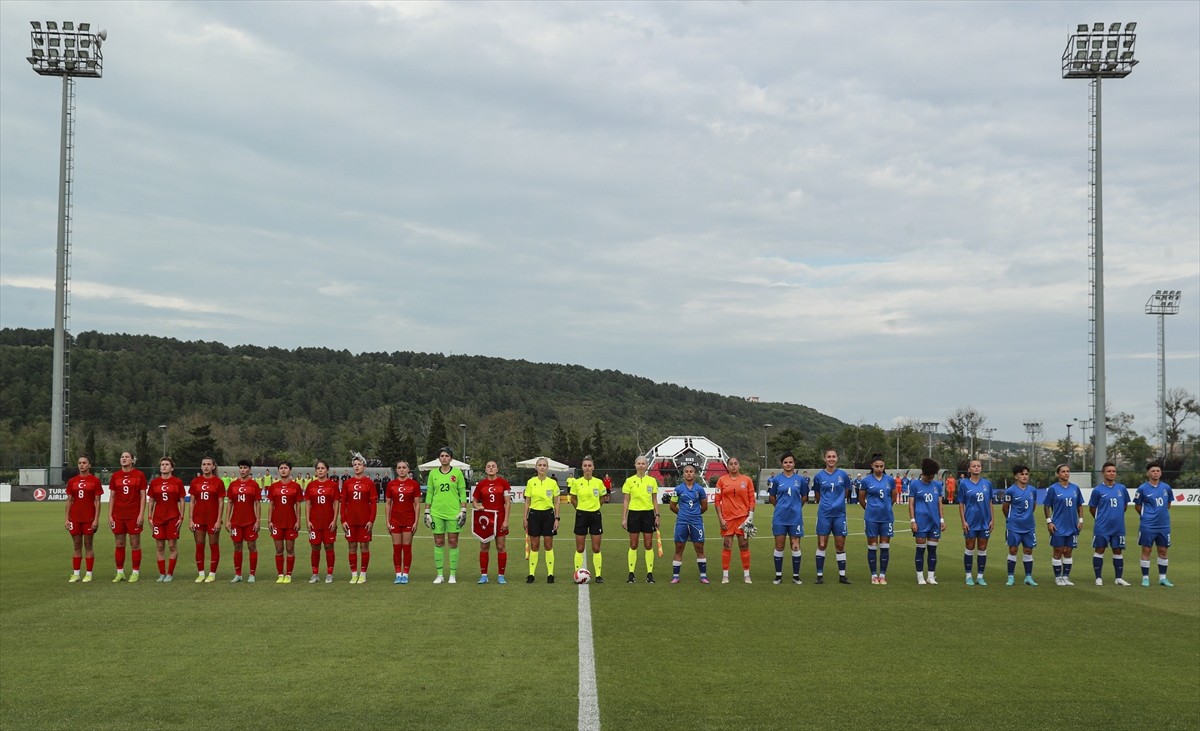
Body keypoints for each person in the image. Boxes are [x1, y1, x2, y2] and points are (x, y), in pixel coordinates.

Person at [423, 447, 469, 584]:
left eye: (447, 456)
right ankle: (440, 574)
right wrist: (427, 511)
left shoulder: (458, 473)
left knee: (453, 542)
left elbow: (462, 492)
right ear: (439, 458)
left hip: (454, 512)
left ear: (451, 458)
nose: (444, 458)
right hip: (436, 512)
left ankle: (452, 575)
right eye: (442, 455)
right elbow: (430, 493)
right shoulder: (432, 474)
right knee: (438, 542)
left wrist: (463, 510)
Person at [811, 449, 852, 584]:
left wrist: (838, 503)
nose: (831, 459)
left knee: (840, 545)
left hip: (840, 515)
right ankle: (819, 575)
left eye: (833, 456)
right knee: (822, 545)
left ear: (837, 459)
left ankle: (842, 575)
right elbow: (817, 495)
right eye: (829, 457)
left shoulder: (843, 475)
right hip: (824, 515)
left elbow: (846, 492)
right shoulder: (818, 476)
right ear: (824, 459)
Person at [713, 457, 756, 584]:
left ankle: (747, 575)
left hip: (743, 519)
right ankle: (725, 575)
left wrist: (751, 516)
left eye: (736, 463)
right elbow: (717, 501)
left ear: (739, 466)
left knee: (744, 545)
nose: (733, 466)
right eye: (731, 464)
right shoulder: (722, 480)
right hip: (727, 519)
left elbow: (751, 499)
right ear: (727, 466)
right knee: (727, 545)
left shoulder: (747, 480)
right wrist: (721, 519)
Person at [768, 452, 807, 585]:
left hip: (795, 518)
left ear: (794, 464)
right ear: (782, 464)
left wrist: (796, 507)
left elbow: (804, 496)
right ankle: (778, 576)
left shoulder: (800, 479)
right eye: (785, 462)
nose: (788, 464)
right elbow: (772, 497)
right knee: (779, 547)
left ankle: (796, 576)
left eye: (790, 462)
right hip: (780, 518)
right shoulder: (776, 480)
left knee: (795, 546)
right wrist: (780, 507)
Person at [1089, 461, 1131, 586]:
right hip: (1102, 526)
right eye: (1109, 471)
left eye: (1113, 471)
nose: (1111, 473)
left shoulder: (1121, 489)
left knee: (1118, 551)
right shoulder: (1098, 490)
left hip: (1118, 527)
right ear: (1103, 473)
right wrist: (1101, 518)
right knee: (1099, 550)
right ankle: (1098, 578)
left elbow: (1124, 505)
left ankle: (1118, 578)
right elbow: (1092, 508)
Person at [108, 451, 148, 582]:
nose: (124, 459)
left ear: (132, 460)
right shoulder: (115, 476)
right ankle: (120, 572)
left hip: (133, 514)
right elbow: (112, 496)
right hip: (118, 515)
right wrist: (110, 515)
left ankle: (135, 572)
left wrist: (141, 514)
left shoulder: (139, 475)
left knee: (135, 543)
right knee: (119, 543)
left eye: (127, 457)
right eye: (122, 457)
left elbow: (143, 496)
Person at [1134, 461, 1174, 587]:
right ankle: (1145, 578)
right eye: (1153, 471)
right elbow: (1137, 506)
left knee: (1163, 550)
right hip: (1148, 525)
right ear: (1148, 473)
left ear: (1160, 473)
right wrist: (1147, 516)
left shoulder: (1166, 488)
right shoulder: (1142, 488)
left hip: (1163, 525)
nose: (1155, 473)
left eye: (1157, 471)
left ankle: (1163, 578)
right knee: (1147, 550)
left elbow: (1168, 505)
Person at [621, 456, 660, 583]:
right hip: (634, 514)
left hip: (648, 514)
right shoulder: (629, 481)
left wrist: (657, 515)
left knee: (648, 545)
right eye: (639, 463)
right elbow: (626, 500)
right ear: (635, 465)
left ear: (647, 465)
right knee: (633, 544)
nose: (641, 465)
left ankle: (650, 574)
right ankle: (631, 573)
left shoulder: (652, 481)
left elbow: (654, 499)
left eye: (643, 463)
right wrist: (624, 517)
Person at [1044, 464, 1084, 586]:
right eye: (1063, 471)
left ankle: (1066, 576)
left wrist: (1080, 520)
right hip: (1058, 525)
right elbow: (1046, 505)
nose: (1066, 473)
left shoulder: (1075, 488)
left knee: (1068, 551)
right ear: (1057, 474)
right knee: (1058, 551)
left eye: (1068, 471)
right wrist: (1049, 521)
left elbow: (1079, 505)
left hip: (1072, 525)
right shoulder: (1053, 489)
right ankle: (1058, 577)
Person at [472, 460, 511, 584]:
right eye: (488, 466)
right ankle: (484, 575)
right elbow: (474, 500)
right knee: (484, 547)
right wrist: (478, 507)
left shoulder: (503, 483)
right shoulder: (481, 484)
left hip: (499, 519)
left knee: (500, 547)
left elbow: (508, 503)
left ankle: (501, 575)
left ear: (497, 469)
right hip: (486, 520)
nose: (491, 468)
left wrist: (506, 520)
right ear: (485, 470)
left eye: (493, 466)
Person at [956, 459, 994, 586]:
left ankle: (980, 576)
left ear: (981, 468)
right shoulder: (964, 484)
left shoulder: (987, 484)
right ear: (969, 469)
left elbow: (990, 502)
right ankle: (968, 576)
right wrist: (963, 521)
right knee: (970, 548)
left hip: (984, 521)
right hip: (971, 521)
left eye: (978, 466)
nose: (976, 468)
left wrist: (992, 519)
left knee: (982, 548)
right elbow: (961, 503)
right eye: (974, 466)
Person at [65, 454, 103, 582]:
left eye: (84, 463)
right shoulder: (72, 481)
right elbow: (69, 501)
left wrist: (96, 519)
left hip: (89, 517)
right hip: (75, 518)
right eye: (80, 463)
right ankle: (76, 574)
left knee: (88, 545)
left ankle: (89, 573)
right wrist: (67, 518)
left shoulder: (95, 481)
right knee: (76, 545)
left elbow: (98, 501)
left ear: (89, 465)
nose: (81, 465)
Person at [148, 457, 186, 582]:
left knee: (171, 546)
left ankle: (170, 573)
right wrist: (149, 516)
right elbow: (152, 500)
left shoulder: (177, 482)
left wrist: (181, 516)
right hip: (158, 517)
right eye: (162, 464)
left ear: (172, 468)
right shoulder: (154, 482)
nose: (164, 466)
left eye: (167, 464)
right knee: (159, 547)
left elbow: (181, 499)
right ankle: (162, 573)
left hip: (172, 517)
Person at [857, 454, 893, 585]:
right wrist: (870, 509)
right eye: (876, 466)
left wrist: (886, 508)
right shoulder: (866, 481)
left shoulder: (890, 480)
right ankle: (873, 575)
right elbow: (861, 499)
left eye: (881, 466)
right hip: (871, 518)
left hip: (886, 517)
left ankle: (882, 575)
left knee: (884, 546)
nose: (879, 468)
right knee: (872, 546)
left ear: (884, 467)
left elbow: (893, 497)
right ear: (872, 466)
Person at [570, 456, 607, 584]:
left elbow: (602, 498)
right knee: (580, 548)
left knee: (596, 548)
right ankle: (577, 574)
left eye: (589, 466)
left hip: (595, 516)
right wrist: (580, 509)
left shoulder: (599, 482)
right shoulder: (576, 482)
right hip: (581, 515)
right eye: (585, 466)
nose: (587, 468)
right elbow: (573, 499)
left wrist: (594, 508)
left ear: (593, 467)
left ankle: (598, 575)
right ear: (582, 468)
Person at [908, 458, 945, 585]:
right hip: (920, 521)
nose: (931, 479)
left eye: (932, 476)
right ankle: (920, 577)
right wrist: (913, 520)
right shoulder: (914, 485)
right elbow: (911, 504)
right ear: (923, 473)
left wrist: (942, 520)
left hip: (934, 522)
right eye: (929, 477)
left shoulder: (937, 485)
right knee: (920, 550)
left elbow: (939, 503)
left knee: (933, 550)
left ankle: (931, 576)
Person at [670, 464, 709, 584]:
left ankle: (703, 576)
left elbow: (705, 506)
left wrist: (695, 514)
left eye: (691, 471)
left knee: (699, 548)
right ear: (683, 474)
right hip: (682, 522)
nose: (689, 473)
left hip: (696, 522)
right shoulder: (678, 489)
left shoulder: (700, 489)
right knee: (679, 548)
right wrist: (682, 514)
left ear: (695, 474)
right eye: (686, 471)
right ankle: (676, 576)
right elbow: (672, 506)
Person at [524, 457, 560, 583]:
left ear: (547, 468)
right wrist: (525, 518)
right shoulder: (530, 482)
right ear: (536, 467)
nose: (542, 467)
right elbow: (527, 501)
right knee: (534, 545)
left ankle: (550, 574)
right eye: (540, 465)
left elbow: (556, 501)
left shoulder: (552, 483)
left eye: (544, 465)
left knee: (548, 545)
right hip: (534, 515)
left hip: (548, 515)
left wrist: (557, 518)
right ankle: (531, 574)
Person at [188, 457, 225, 583]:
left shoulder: (218, 482)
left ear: (213, 467)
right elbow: (192, 501)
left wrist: (219, 519)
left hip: (212, 519)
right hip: (199, 519)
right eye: (204, 464)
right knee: (199, 546)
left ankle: (212, 574)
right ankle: (201, 573)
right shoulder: (195, 482)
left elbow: (221, 503)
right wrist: (191, 519)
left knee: (213, 546)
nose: (206, 466)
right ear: (201, 466)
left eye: (209, 464)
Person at [342, 456, 377, 583]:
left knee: (364, 547)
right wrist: (343, 520)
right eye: (355, 464)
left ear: (364, 467)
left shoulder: (369, 483)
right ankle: (354, 574)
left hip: (364, 521)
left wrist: (371, 520)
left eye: (359, 464)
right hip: (350, 521)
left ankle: (363, 574)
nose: (357, 466)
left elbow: (373, 503)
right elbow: (343, 502)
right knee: (351, 547)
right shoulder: (347, 483)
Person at [386, 460, 422, 584]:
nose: (401, 469)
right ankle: (397, 574)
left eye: (404, 467)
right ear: (396, 470)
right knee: (396, 548)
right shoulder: (391, 484)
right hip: (395, 520)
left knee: (406, 548)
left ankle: (405, 574)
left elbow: (417, 504)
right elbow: (388, 503)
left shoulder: (414, 484)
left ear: (408, 469)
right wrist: (387, 521)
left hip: (408, 520)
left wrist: (416, 522)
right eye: (399, 467)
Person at [304, 460, 340, 583]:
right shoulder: (311, 485)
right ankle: (315, 574)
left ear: (327, 470)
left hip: (328, 522)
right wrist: (308, 521)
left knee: (329, 546)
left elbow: (336, 504)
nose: (320, 470)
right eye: (318, 468)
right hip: (315, 522)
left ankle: (330, 574)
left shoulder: (333, 485)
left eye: (322, 468)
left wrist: (334, 521)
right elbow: (308, 504)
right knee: (315, 547)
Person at [225, 460, 261, 583]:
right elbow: (230, 503)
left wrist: (257, 521)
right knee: (237, 547)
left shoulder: (254, 485)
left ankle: (252, 574)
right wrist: (227, 520)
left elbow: (257, 503)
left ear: (249, 469)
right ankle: (238, 574)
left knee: (252, 546)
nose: (242, 470)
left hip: (250, 521)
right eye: (241, 467)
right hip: (236, 521)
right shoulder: (233, 485)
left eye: (245, 468)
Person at [1003, 464, 1038, 586]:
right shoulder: (1011, 491)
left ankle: (1028, 577)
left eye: (1026, 474)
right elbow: (1005, 508)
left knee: (1028, 550)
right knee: (1013, 550)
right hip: (1014, 526)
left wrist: (1026, 517)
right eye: (1022, 474)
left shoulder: (1032, 490)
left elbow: (1033, 506)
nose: (1024, 476)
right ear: (1016, 476)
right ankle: (1011, 577)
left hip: (1028, 526)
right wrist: (1011, 519)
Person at [267, 461, 303, 583]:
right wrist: (269, 521)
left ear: (290, 470)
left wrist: (298, 521)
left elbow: (298, 505)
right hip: (277, 522)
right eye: (281, 468)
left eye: (285, 468)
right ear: (278, 471)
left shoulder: (296, 486)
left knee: (290, 549)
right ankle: (280, 574)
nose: (283, 470)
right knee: (278, 549)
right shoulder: (274, 486)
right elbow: (271, 504)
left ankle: (288, 574)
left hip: (290, 522)